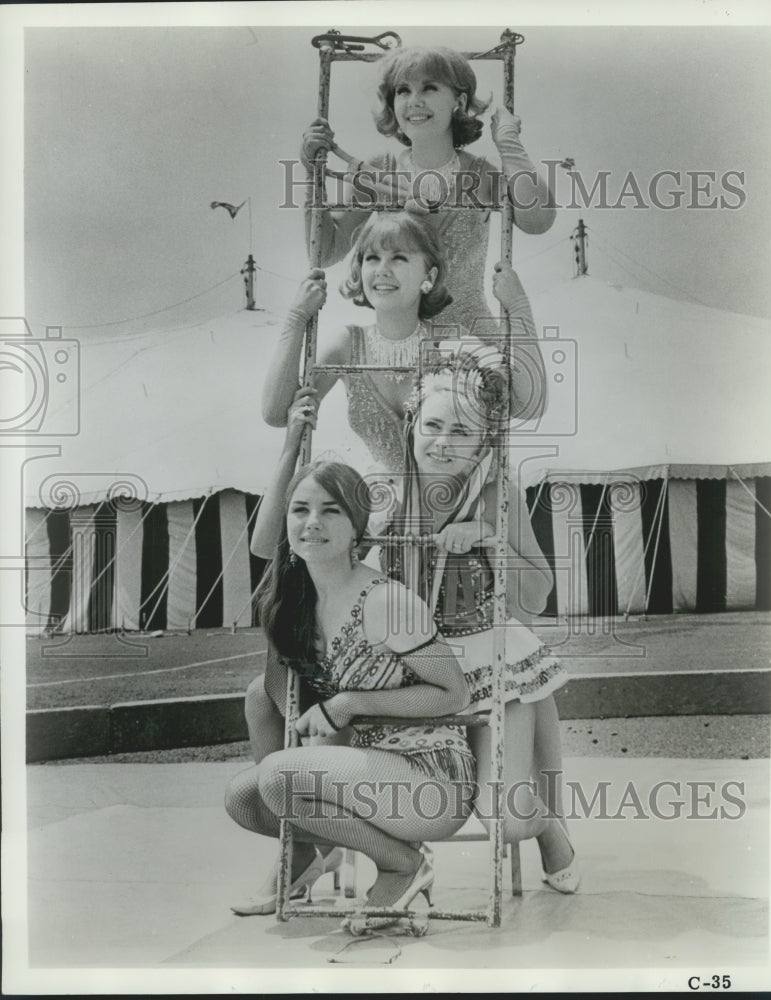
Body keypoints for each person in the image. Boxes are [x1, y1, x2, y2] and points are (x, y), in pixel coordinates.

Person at [225, 412, 477, 930]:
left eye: (330, 511)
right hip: (371, 769)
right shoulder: (299, 600)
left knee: (278, 778)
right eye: (300, 510)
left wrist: (352, 703)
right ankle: (311, 853)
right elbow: (279, 695)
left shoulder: (382, 599)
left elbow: (454, 694)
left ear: (357, 525)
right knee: (245, 797)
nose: (311, 522)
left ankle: (405, 863)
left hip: (430, 779)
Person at [377, 349, 579, 890]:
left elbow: (537, 593)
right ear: (411, 425)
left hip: (489, 663)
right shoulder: (381, 499)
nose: (442, 442)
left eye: (461, 432)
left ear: (483, 442)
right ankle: (384, 865)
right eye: (433, 425)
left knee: (508, 818)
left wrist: (490, 543)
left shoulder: (496, 495)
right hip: (409, 671)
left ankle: (545, 825)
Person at [261, 210, 546, 477]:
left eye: (399, 257)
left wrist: (518, 306)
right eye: (372, 258)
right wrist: (297, 318)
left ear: (428, 276)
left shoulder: (450, 343)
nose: (382, 270)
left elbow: (530, 406)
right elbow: (277, 414)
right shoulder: (347, 345)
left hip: (457, 515)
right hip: (382, 516)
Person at [299, 44, 556, 334]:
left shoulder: (480, 173)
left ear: (458, 101)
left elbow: (538, 221)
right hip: (397, 344)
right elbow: (323, 252)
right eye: (403, 90)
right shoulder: (379, 169)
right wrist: (314, 174)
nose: (414, 101)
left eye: (429, 88)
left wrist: (509, 144)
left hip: (472, 341)